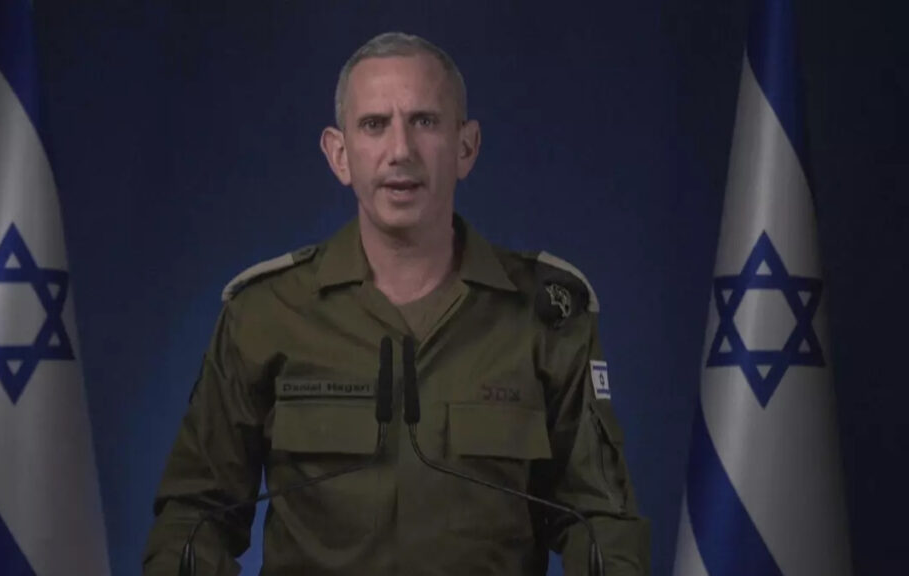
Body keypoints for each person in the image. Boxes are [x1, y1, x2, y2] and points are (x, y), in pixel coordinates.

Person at [144, 32, 649, 576]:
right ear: (340, 154)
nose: (401, 150)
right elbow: (194, 517)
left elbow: (602, 521)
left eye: (425, 121)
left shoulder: (547, 313)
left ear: (466, 146)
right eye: (374, 124)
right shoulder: (266, 313)